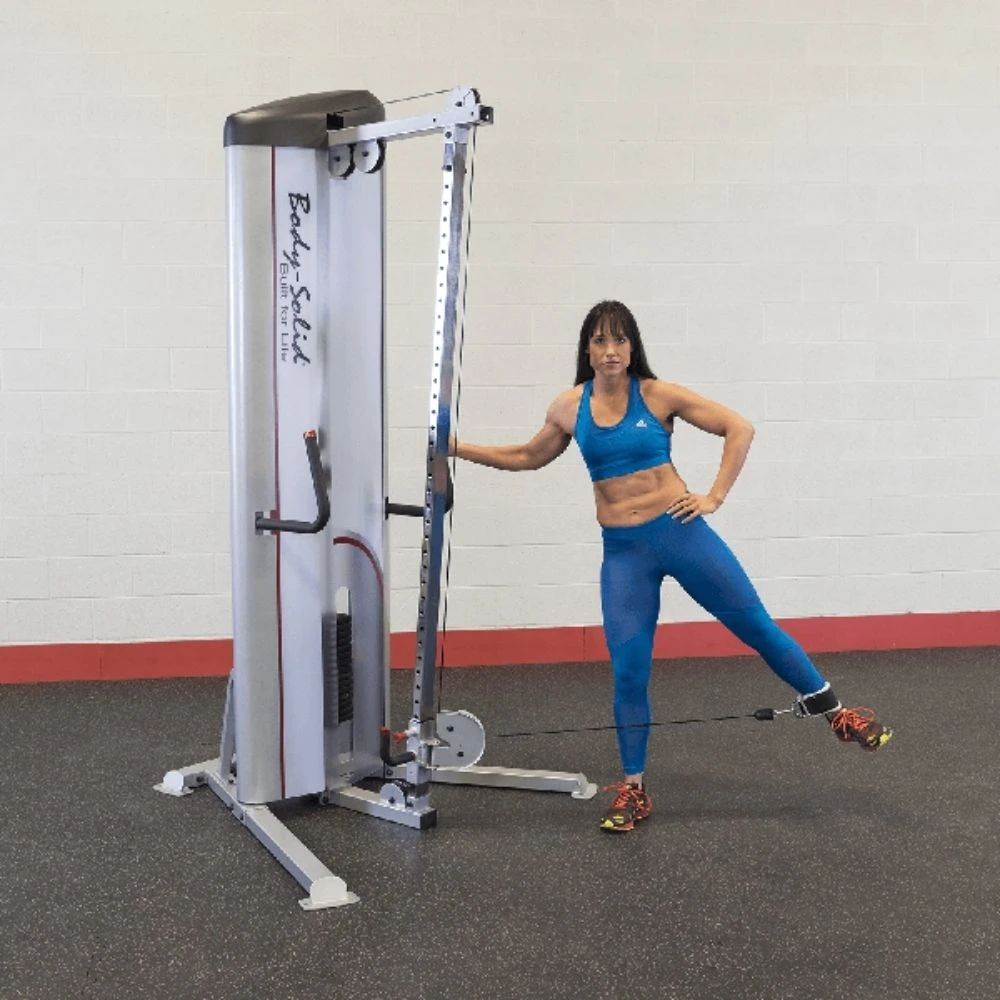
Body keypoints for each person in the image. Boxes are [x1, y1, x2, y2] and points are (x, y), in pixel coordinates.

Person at [450, 300, 892, 833]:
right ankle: (633, 789)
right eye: (600, 340)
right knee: (629, 669)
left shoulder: (657, 395)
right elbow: (526, 456)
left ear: (632, 346)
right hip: (624, 554)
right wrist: (454, 448)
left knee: (755, 626)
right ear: (587, 349)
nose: (610, 350)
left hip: (681, 535)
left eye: (619, 340)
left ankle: (837, 713)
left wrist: (714, 496)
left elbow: (739, 427)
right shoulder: (569, 406)